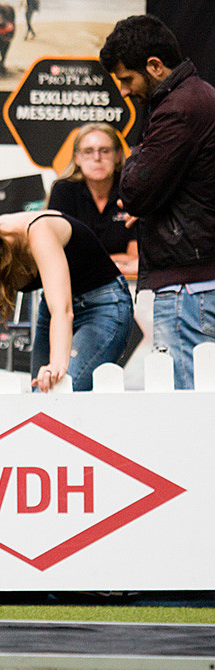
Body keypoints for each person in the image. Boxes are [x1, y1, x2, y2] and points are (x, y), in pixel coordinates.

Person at [100, 14, 215, 390]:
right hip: (197, 280)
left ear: (154, 66)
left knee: (191, 411)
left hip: (188, 289)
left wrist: (136, 154)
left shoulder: (179, 109)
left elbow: (133, 191)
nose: (125, 91)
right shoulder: (200, 98)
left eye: (126, 79)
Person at [0, 211, 133, 392]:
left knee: (55, 393)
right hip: (54, 312)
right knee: (40, 396)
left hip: (103, 305)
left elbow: (63, 309)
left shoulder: (38, 231)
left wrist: (57, 364)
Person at [47, 123, 137, 278]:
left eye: (105, 151)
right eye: (88, 151)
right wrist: (117, 261)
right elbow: (58, 255)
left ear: (117, 155)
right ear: (77, 158)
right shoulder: (64, 191)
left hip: (123, 285)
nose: (97, 158)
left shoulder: (131, 192)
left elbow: (136, 260)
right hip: (74, 285)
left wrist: (88, 262)